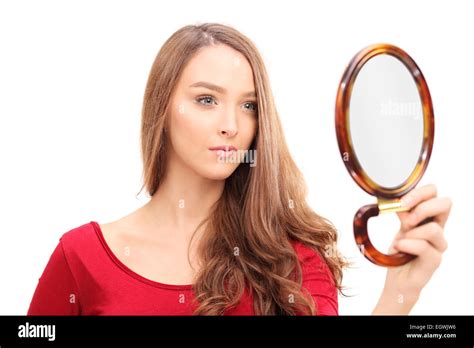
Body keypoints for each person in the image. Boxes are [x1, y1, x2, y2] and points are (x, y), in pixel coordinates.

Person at [27, 23, 452, 316]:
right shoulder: (80, 257)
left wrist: (400, 293)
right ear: (161, 109)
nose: (231, 124)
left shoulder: (293, 260)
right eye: (207, 99)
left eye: (248, 106)